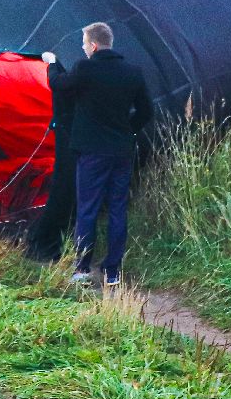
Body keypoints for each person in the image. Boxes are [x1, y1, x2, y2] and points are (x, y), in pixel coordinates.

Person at [42, 22, 151, 287]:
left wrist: (52, 62)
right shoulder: (132, 72)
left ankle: (81, 268)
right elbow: (146, 112)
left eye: (83, 44)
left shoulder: (85, 68)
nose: (82, 48)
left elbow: (58, 85)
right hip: (121, 152)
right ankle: (112, 271)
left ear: (93, 45)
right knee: (117, 209)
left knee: (87, 209)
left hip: (92, 153)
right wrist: (128, 132)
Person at [24, 53, 77, 263]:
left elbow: (57, 83)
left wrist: (52, 63)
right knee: (69, 189)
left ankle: (49, 243)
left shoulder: (76, 73)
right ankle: (53, 243)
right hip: (78, 138)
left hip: (71, 137)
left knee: (64, 189)